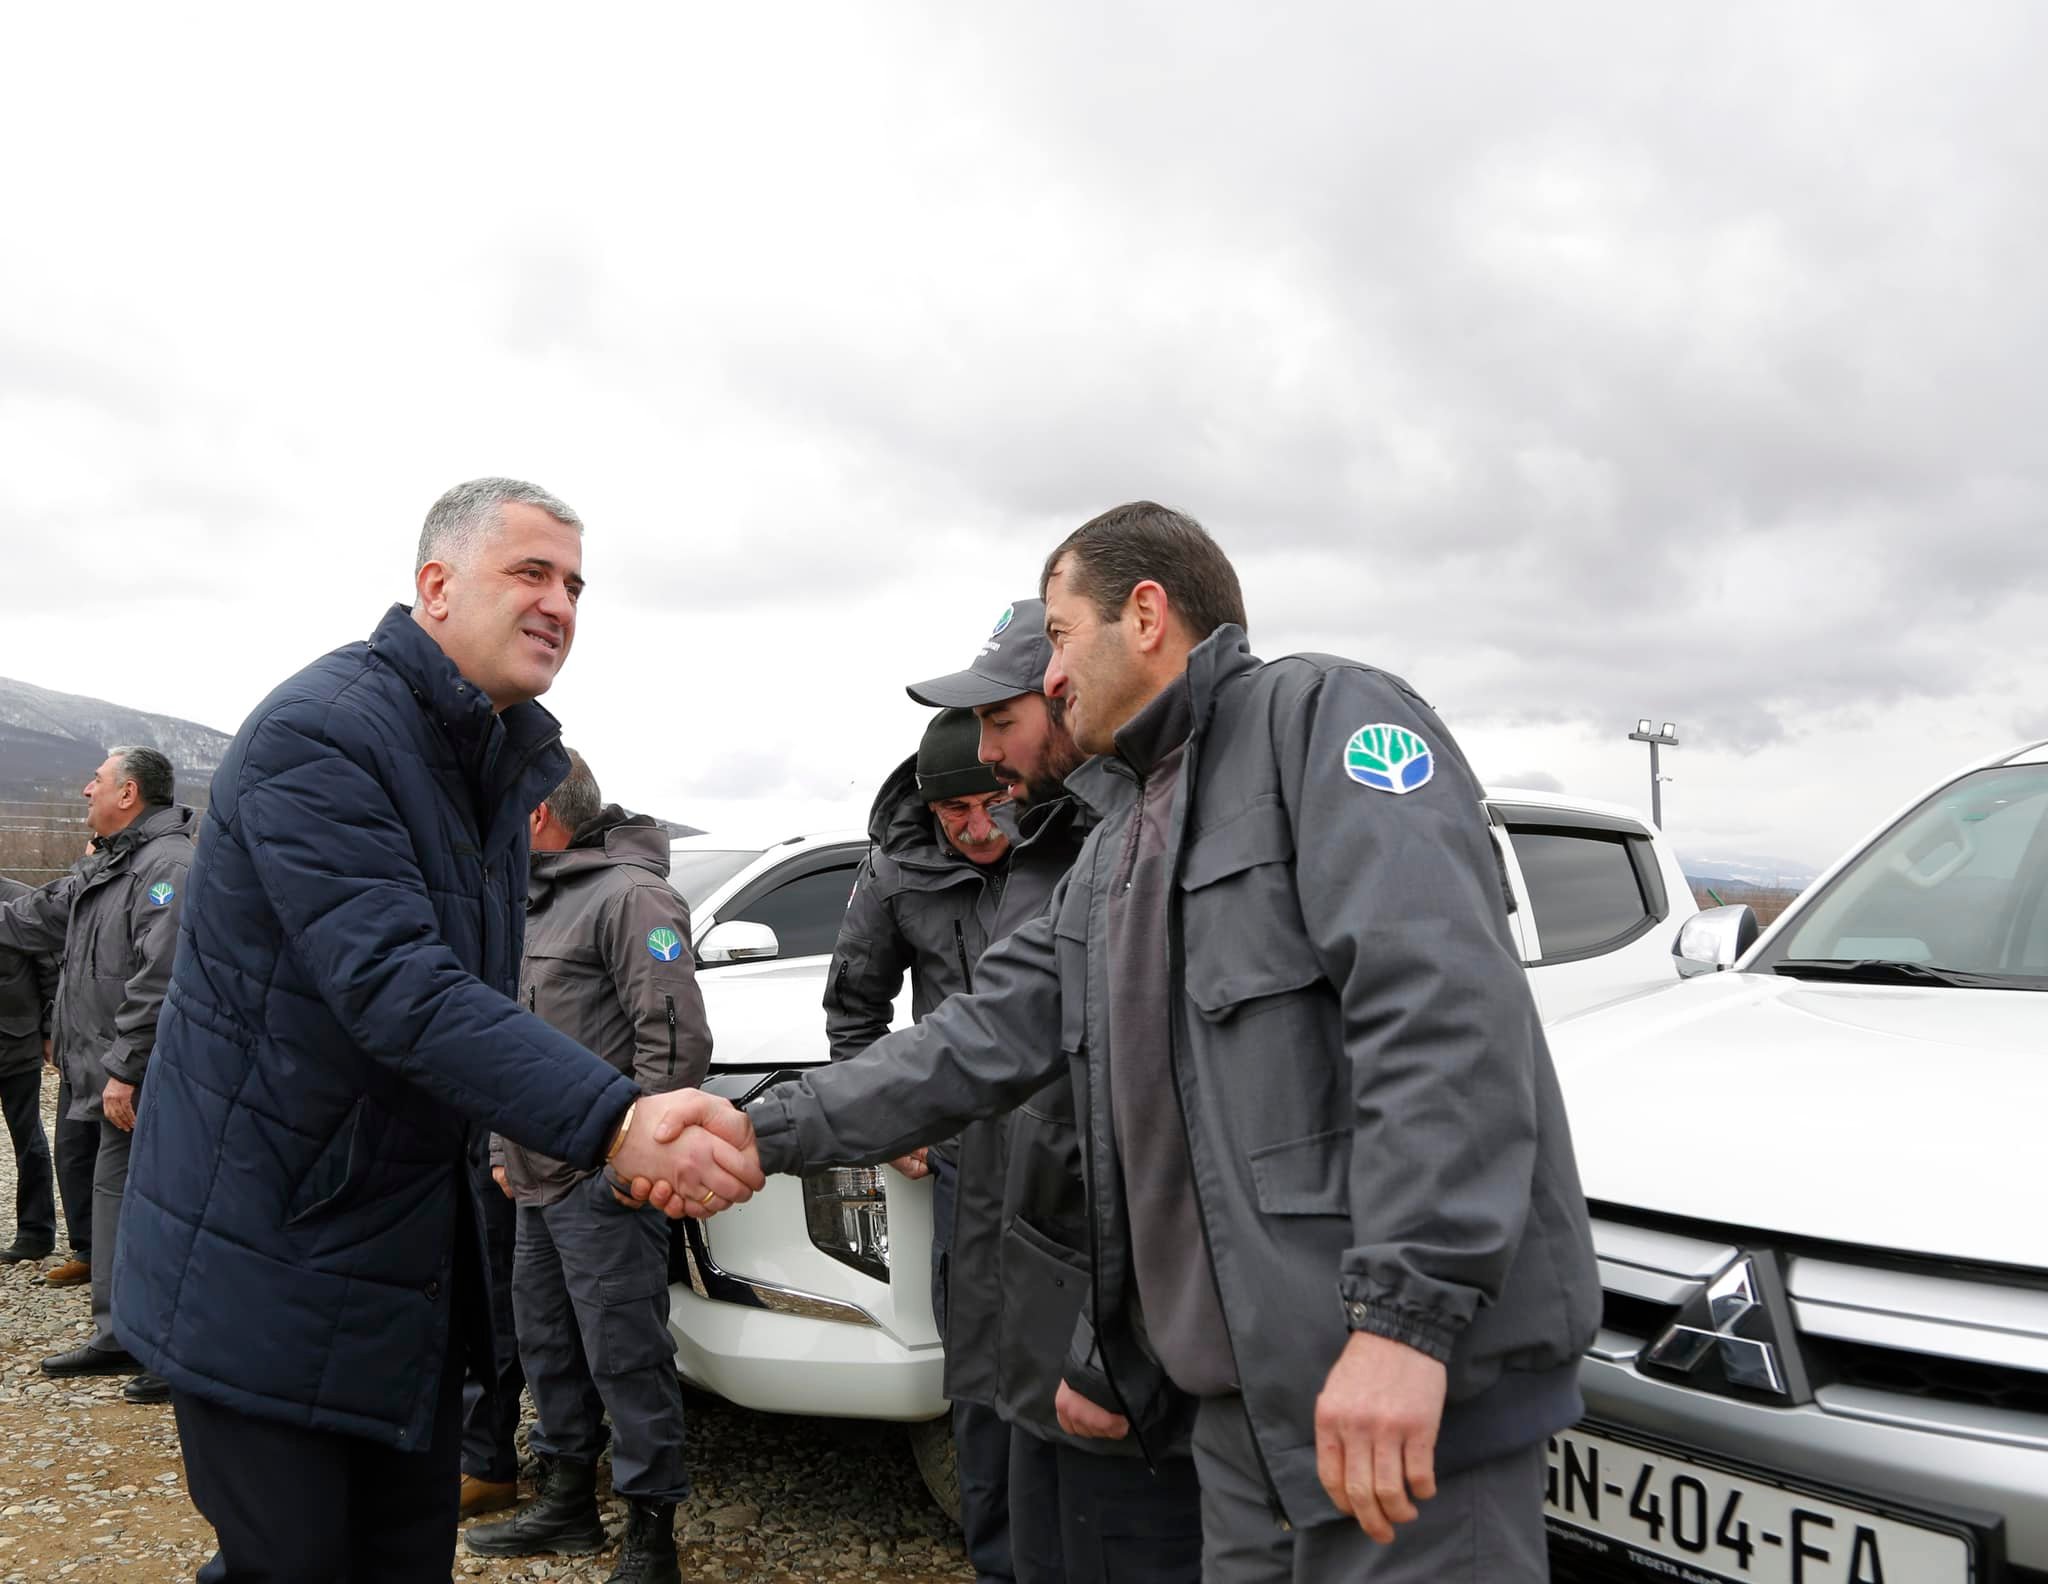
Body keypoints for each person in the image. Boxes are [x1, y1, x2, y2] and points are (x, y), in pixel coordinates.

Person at [676, 503, 1600, 1582]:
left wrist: (1404, 1323)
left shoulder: (1322, 720)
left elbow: (1440, 1019)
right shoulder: (1122, 844)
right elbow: (979, 1039)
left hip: (1389, 1401)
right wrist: (756, 1131)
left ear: (1147, 615)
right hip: (1239, 1417)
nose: (1050, 675)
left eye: (1061, 635)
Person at [110, 478, 762, 1584]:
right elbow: (398, 986)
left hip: (396, 1252)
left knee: (401, 1560)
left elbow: (475, 1005)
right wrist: (617, 1121)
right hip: (276, 1247)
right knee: (292, 1567)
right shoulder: (323, 734)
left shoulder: (484, 764)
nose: (559, 604)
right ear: (436, 585)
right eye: (531, 572)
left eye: (575, 585)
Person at [910, 600, 1203, 1584]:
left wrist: (1112, 1354)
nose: (988, 755)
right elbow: (970, 1039)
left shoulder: (1152, 845)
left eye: (1002, 721)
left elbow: (1170, 1141)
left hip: (1109, 1348)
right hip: (1016, 1289)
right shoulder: (1057, 851)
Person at [466, 750, 709, 1584]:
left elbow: (674, 1041)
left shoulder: (632, 896)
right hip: (533, 1177)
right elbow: (507, 1044)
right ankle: (567, 1502)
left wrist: (633, 1166)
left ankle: (651, 1537)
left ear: (537, 813)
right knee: (547, 1347)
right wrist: (500, 1147)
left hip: (603, 1183)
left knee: (626, 1357)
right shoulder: (532, 902)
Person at [821, 704, 1026, 1583]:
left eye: (993, 804)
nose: (978, 829)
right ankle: (998, 1560)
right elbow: (854, 1011)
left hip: (1084, 1152)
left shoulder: (1071, 847)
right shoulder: (894, 871)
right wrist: (890, 1119)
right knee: (978, 1370)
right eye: (955, 812)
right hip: (968, 1163)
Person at [0, 747, 194, 1406]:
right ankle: (120, 1335)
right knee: (110, 1204)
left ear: (129, 792)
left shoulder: (167, 868)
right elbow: (33, 917)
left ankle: (171, 1350)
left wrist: (127, 1067)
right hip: (106, 1077)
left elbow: (161, 976)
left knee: (157, 1212)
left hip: (147, 1080)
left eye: (97, 780)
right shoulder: (109, 866)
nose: (86, 790)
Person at [0, 877, 59, 1265]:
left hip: (14, 1044)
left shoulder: (22, 901)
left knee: (28, 1140)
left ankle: (36, 1233)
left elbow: (50, 973)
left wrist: (49, 1032)